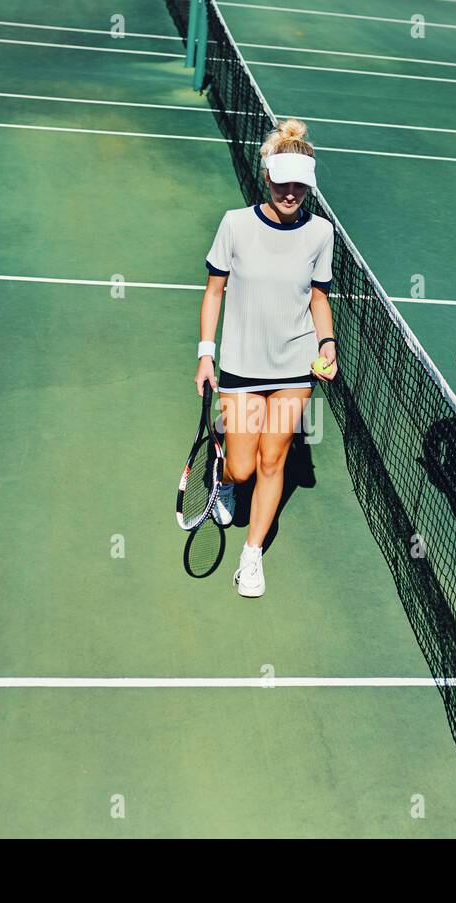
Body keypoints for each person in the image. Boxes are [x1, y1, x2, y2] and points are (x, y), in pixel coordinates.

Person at [194, 118, 337, 598]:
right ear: (267, 176)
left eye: (300, 184)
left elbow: (318, 298)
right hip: (240, 366)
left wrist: (327, 345)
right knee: (243, 467)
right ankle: (225, 475)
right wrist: (205, 354)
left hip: (295, 367)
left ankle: (251, 555)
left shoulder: (320, 234)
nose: (290, 192)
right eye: (283, 181)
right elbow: (214, 292)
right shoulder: (235, 224)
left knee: (273, 461)